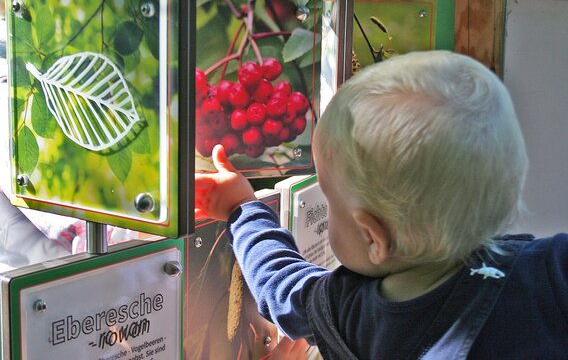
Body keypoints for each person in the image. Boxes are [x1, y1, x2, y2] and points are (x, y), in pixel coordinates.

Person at [194, 51, 568, 359]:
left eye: (330, 200)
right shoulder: (550, 271)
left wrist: (242, 208)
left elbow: (280, 284)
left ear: (374, 238)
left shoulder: (352, 315)